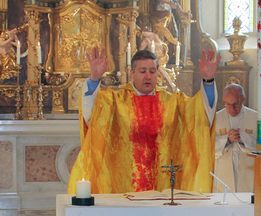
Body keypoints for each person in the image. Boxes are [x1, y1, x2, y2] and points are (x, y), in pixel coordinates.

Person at [67, 47, 218, 194]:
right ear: (132, 73)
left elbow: (201, 114)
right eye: (142, 71)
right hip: (124, 184)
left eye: (152, 71)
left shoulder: (173, 102)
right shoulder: (115, 101)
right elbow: (93, 112)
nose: (148, 76)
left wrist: (208, 81)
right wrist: (94, 78)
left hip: (163, 185)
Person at [213, 84, 257, 193]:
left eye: (236, 104)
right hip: (224, 167)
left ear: (243, 100)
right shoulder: (215, 118)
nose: (232, 108)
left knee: (246, 197)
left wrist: (242, 138)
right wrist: (227, 140)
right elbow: (208, 147)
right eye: (228, 104)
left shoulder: (256, 117)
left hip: (248, 167)